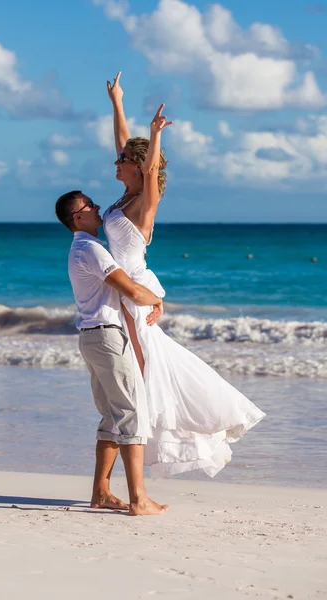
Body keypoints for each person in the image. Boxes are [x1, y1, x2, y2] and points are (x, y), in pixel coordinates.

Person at [104, 72, 265, 477]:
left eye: (124, 160)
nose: (116, 161)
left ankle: (165, 439)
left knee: (146, 375)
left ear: (139, 169)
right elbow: (125, 143)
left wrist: (157, 135)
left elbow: (149, 167)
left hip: (135, 290)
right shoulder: (124, 196)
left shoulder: (144, 204)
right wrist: (117, 103)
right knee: (143, 375)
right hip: (124, 290)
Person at [55, 190, 169, 515]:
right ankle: (139, 499)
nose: (97, 208)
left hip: (92, 338)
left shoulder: (81, 248)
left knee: (111, 417)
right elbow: (129, 288)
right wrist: (158, 299)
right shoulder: (91, 249)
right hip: (106, 339)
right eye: (90, 205)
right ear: (78, 216)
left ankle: (101, 493)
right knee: (132, 414)